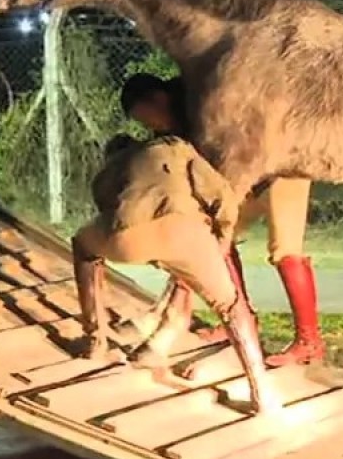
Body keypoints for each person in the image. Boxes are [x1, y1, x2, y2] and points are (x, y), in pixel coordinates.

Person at [71, 114, 277, 416]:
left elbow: (111, 213)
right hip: (185, 232)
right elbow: (221, 195)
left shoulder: (105, 174)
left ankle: (95, 341)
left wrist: (152, 253)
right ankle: (261, 394)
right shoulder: (175, 148)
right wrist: (222, 236)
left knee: (82, 245)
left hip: (128, 238)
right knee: (232, 307)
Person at [118, 74, 326, 367]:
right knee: (216, 243)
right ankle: (240, 321)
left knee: (285, 252)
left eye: (147, 118)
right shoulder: (174, 126)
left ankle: (309, 342)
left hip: (281, 167)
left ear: (158, 98)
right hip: (244, 182)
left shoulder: (203, 100)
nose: (151, 126)